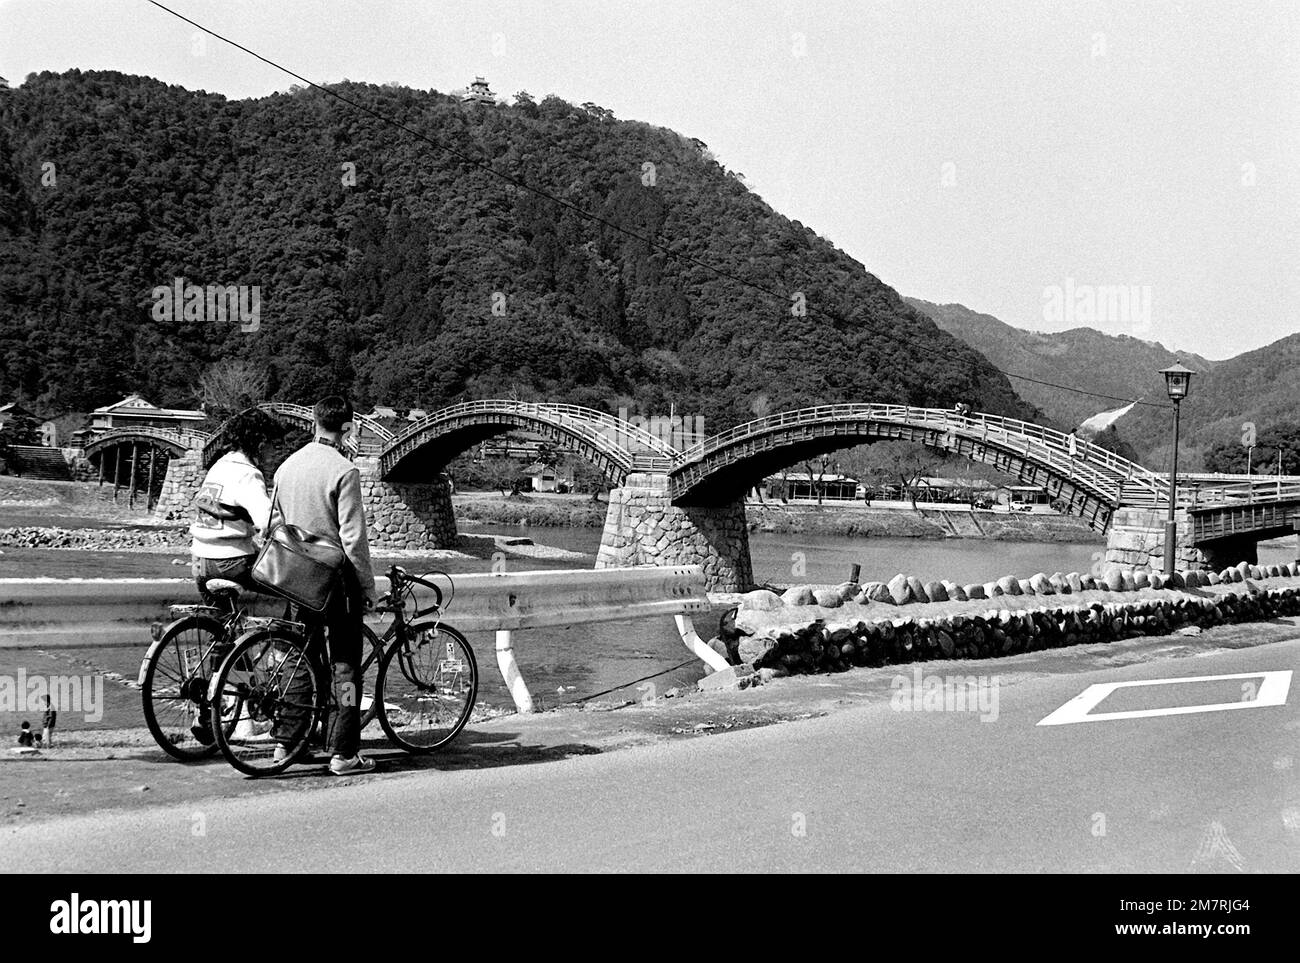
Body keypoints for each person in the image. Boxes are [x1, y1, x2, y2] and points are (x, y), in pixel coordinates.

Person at [271, 396, 378, 776]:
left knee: (298, 660)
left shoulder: (287, 467)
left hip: (294, 577)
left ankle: (286, 743)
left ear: (314, 422)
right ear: (348, 427)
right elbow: (354, 540)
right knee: (345, 666)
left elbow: (275, 526)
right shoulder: (344, 471)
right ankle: (343, 752)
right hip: (335, 582)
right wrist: (367, 587)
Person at [189, 412, 273, 606]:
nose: (274, 452)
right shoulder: (247, 474)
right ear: (260, 444)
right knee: (295, 588)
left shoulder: (219, 466)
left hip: (201, 560)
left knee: (222, 624)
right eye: (272, 445)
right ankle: (288, 635)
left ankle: (222, 635)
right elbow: (267, 521)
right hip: (230, 561)